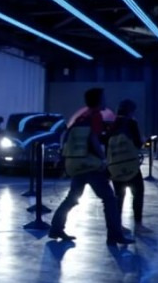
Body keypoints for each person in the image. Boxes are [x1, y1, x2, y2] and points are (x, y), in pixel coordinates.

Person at [48, 88, 134, 245]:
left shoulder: (81, 117)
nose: (106, 100)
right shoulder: (95, 117)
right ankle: (114, 235)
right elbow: (93, 138)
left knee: (72, 198)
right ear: (99, 100)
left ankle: (56, 228)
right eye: (104, 97)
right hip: (91, 166)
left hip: (77, 164)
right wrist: (103, 158)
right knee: (110, 199)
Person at [107, 99, 151, 234]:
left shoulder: (112, 125)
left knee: (118, 196)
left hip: (115, 166)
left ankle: (118, 225)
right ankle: (138, 225)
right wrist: (143, 141)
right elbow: (138, 144)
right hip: (130, 165)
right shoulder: (131, 123)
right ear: (131, 111)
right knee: (138, 193)